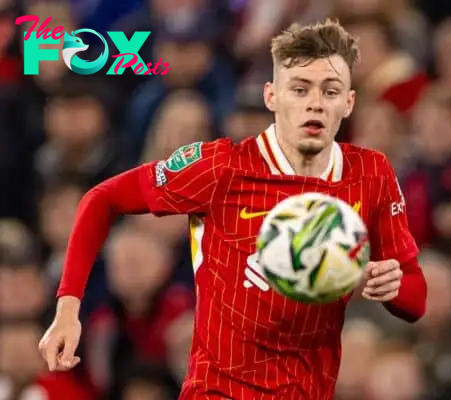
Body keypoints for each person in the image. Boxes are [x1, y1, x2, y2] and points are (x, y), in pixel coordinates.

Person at [38, 19, 427, 399]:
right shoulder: (221, 168)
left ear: (349, 102)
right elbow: (101, 199)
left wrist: (391, 287)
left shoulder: (371, 173)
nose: (314, 104)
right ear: (271, 96)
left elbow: (415, 297)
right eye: (300, 89)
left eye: (330, 91)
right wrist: (67, 308)